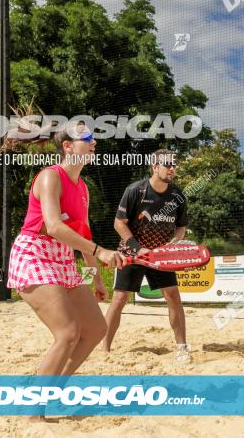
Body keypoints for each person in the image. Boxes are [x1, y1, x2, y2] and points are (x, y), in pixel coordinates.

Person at [6, 122, 126, 376]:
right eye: (88, 138)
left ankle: (52, 389)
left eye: (94, 138)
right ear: (68, 146)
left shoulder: (82, 188)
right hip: (34, 253)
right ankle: (33, 411)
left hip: (62, 257)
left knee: (95, 329)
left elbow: (81, 235)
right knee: (68, 333)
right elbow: (54, 227)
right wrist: (102, 252)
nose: (94, 142)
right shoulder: (50, 176)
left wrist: (98, 280)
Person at [102, 150, 190, 357]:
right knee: (120, 299)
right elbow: (118, 223)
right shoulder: (136, 190)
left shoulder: (178, 196)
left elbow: (181, 228)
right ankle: (104, 348)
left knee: (173, 297)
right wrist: (138, 248)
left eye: (174, 165)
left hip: (160, 256)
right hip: (132, 252)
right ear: (154, 166)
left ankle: (182, 347)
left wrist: (171, 245)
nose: (172, 168)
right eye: (167, 164)